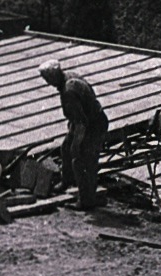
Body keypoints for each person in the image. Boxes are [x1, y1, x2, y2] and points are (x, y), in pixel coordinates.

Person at [38, 64, 110, 211]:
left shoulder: (68, 91)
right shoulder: (69, 76)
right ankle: (67, 181)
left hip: (92, 125)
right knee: (65, 148)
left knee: (81, 160)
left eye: (46, 79)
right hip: (85, 119)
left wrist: (77, 144)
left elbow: (81, 123)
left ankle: (86, 201)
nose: (47, 82)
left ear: (52, 77)